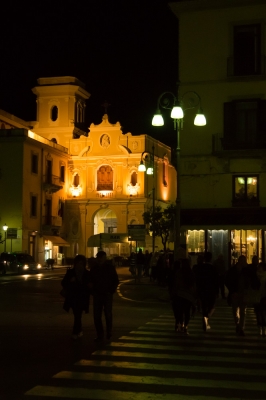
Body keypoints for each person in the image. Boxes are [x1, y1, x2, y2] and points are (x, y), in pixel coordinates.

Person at [90, 251, 119, 342]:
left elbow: (115, 280)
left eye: (101, 257)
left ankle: (108, 333)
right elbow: (90, 281)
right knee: (97, 316)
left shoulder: (109, 268)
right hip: (98, 294)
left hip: (106, 294)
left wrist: (111, 291)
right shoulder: (94, 269)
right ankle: (100, 334)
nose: (100, 259)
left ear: (104, 258)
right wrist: (93, 292)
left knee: (107, 314)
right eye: (99, 257)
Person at [61, 254, 91, 340]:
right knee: (77, 314)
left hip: (82, 297)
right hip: (73, 296)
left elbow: (90, 284)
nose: (79, 265)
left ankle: (77, 331)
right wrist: (70, 281)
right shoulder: (71, 272)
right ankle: (77, 330)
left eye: (81, 263)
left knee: (78, 314)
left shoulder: (86, 273)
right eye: (78, 263)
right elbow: (63, 283)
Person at [168, 259, 196, 335]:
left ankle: (181, 323)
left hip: (180, 294)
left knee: (179, 311)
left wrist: (173, 294)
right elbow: (194, 286)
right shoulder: (191, 273)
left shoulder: (179, 273)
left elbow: (176, 284)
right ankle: (186, 326)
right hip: (188, 296)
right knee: (187, 312)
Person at [225, 255, 249, 336]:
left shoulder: (245, 270)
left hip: (242, 293)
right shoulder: (233, 270)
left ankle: (241, 327)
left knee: (242, 311)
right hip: (235, 292)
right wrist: (232, 290)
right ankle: (238, 324)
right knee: (236, 311)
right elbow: (227, 280)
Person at [196, 251, 219, 332]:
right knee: (211, 306)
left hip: (202, 290)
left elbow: (197, 279)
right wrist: (217, 291)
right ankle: (206, 318)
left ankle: (205, 318)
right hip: (211, 290)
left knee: (204, 306)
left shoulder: (200, 268)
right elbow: (216, 280)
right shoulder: (213, 268)